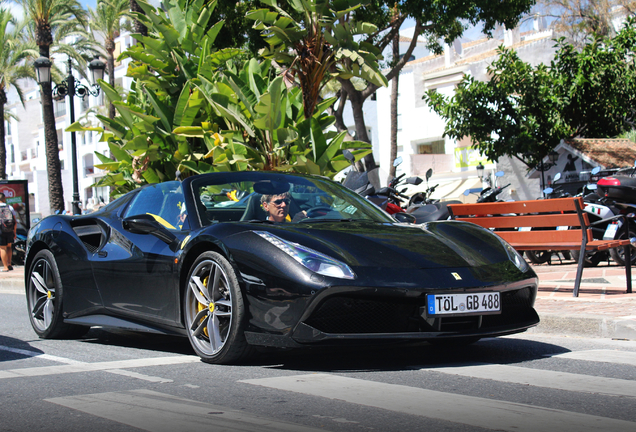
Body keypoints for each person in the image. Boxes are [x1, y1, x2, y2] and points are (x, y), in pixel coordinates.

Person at [0, 193, 16, 272]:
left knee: (2, 248)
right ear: (4, 198)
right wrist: (14, 232)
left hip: (0, 230)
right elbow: (15, 221)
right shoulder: (9, 207)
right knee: (9, 246)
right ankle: (9, 263)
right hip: (9, 230)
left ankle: (5, 267)